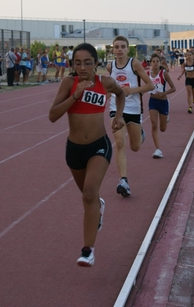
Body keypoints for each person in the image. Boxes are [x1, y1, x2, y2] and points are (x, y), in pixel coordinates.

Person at [49, 43, 125, 267]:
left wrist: (119, 116)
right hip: (74, 150)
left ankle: (87, 250)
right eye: (78, 63)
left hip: (99, 146)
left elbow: (121, 94)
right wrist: (75, 95)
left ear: (96, 63)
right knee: (88, 196)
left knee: (89, 194)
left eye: (88, 62)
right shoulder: (68, 83)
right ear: (73, 64)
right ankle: (98, 207)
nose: (82, 67)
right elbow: (53, 116)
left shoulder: (105, 82)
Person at [106, 35, 154, 197]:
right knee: (119, 142)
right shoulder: (109, 66)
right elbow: (109, 86)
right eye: (116, 47)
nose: (119, 50)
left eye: (122, 47)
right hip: (116, 108)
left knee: (135, 147)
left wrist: (130, 91)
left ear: (127, 49)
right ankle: (123, 181)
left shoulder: (134, 64)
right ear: (113, 49)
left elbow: (150, 85)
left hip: (133, 109)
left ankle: (140, 133)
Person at [147, 53, 176, 158]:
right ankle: (158, 150)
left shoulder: (163, 73)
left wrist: (163, 93)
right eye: (153, 61)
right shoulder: (148, 74)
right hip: (153, 101)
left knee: (162, 128)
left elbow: (173, 88)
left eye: (157, 61)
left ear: (160, 63)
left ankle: (167, 113)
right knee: (154, 124)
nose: (155, 63)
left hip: (163, 102)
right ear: (150, 63)